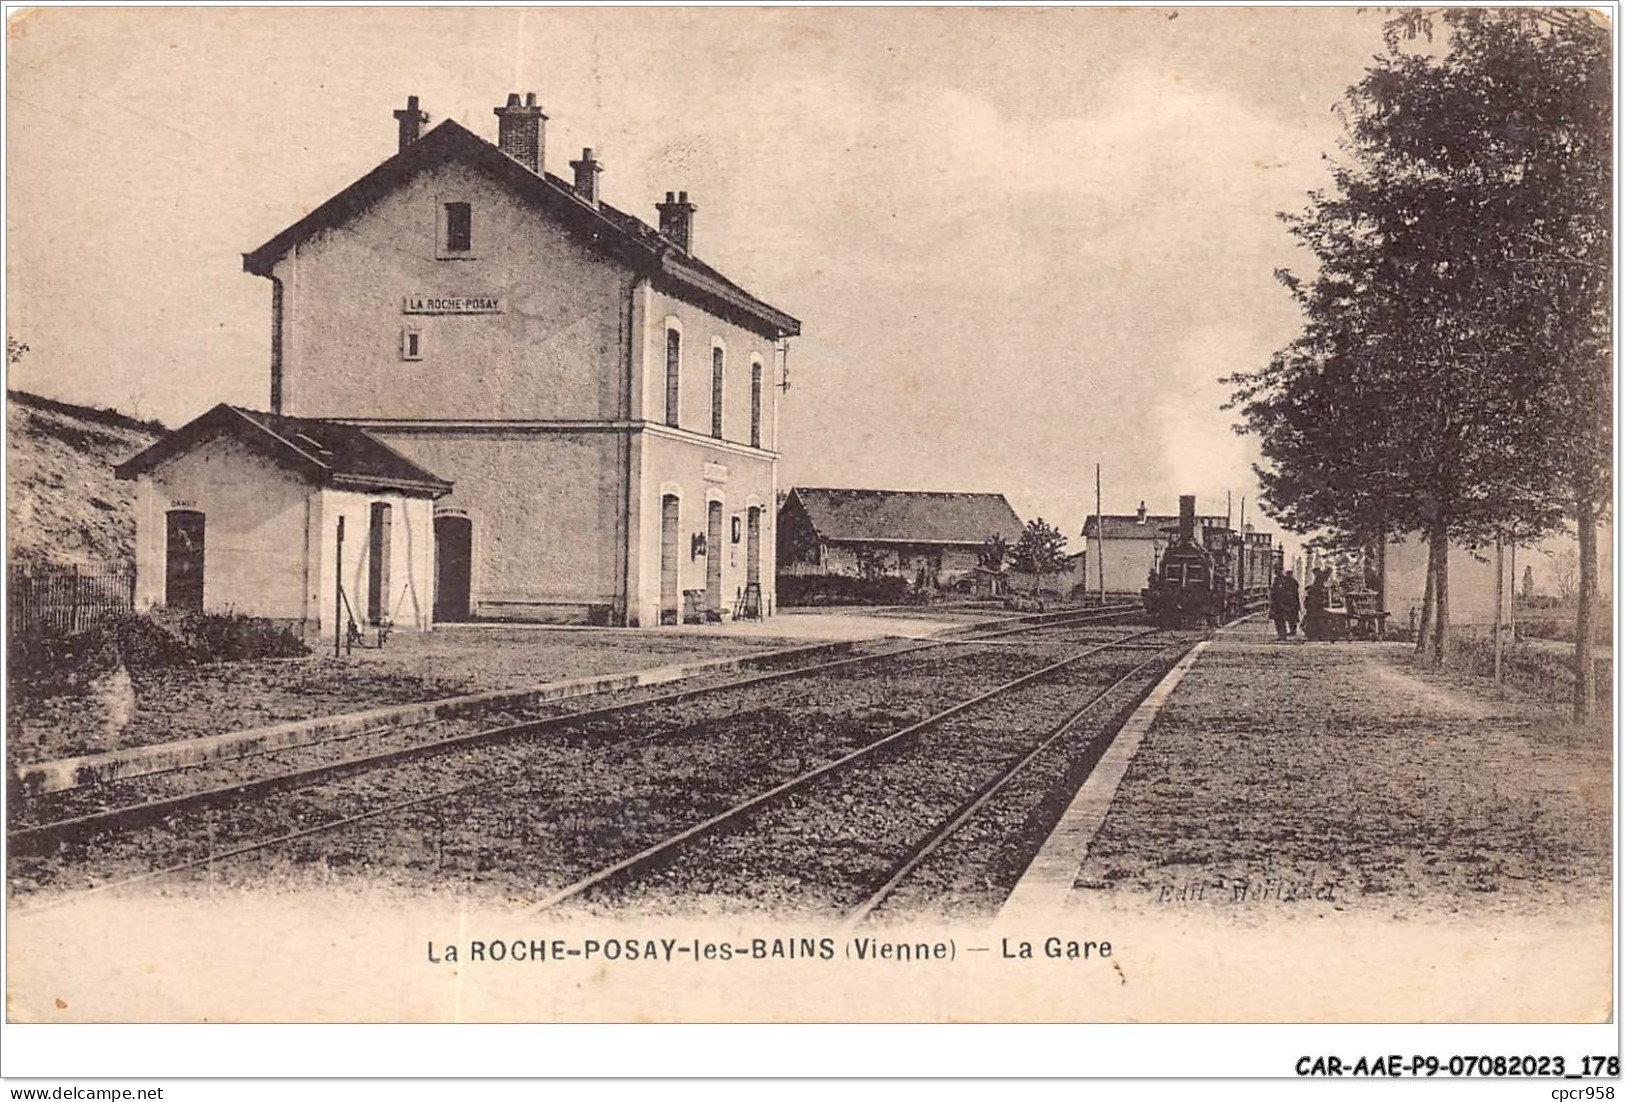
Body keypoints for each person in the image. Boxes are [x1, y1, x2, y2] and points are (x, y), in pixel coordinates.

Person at [1269, 570, 1300, 640]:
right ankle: (1283, 635)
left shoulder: (1287, 582)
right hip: (1280, 604)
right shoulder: (1279, 581)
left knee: (1283, 619)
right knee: (1281, 620)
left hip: (1282, 604)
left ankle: (1284, 634)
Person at [1303, 567, 1333, 641]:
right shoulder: (1316, 587)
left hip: (1317, 608)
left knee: (1318, 621)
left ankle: (1318, 635)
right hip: (1315, 607)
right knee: (1316, 621)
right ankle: (1317, 635)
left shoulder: (1318, 587)